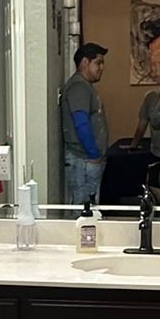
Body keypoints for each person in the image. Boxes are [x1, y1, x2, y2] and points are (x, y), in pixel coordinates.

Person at [61, 42, 109, 206]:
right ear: (84, 63)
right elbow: (81, 123)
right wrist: (94, 154)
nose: (102, 68)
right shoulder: (79, 87)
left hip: (86, 159)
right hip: (84, 160)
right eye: (98, 63)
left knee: (89, 208)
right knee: (84, 209)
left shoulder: (85, 86)